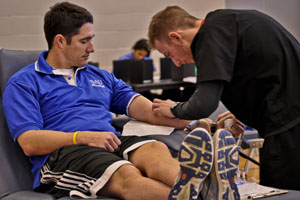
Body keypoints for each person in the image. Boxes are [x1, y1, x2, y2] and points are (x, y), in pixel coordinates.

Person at [2, 2, 244, 200]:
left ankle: (208, 189)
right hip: (63, 155)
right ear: (60, 41)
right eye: (84, 41)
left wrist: (201, 123)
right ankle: (205, 195)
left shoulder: (100, 77)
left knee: (154, 148)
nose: (92, 48)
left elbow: (148, 110)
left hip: (108, 142)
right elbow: (29, 142)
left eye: (92, 39)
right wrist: (82, 136)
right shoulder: (24, 83)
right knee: (127, 175)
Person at [148, 6, 300, 191]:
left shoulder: (210, 34)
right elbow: (262, 71)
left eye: (169, 54)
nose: (177, 63)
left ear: (176, 37)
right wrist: (243, 110)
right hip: (290, 117)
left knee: (282, 192)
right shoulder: (231, 21)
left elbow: (204, 104)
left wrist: (173, 109)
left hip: (289, 127)